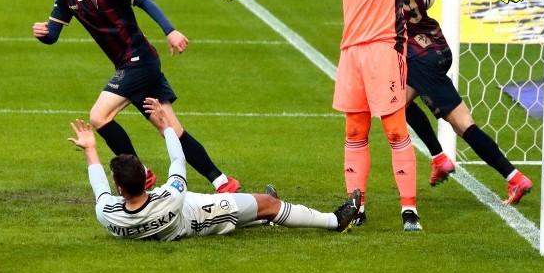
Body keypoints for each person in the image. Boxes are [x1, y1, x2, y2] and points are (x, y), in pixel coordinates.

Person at [218, 0, 527, 231]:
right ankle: (357, 204)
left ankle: (409, 211)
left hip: (386, 50)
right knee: (354, 130)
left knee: (395, 130)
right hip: (351, 53)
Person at [33, 0, 239, 193]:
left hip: (138, 61)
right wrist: (42, 32)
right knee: (170, 129)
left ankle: (140, 173)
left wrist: (170, 31)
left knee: (99, 116)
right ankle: (223, 182)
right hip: (134, 64)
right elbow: (52, 35)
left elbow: (144, 0)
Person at [67, 98, 361, 240]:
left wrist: (90, 147)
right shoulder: (170, 195)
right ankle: (335, 221)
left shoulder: (108, 213)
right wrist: (165, 126)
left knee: (256, 207)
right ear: (146, 182)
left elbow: (99, 188)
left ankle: (260, 218)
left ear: (120, 189)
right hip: (194, 215)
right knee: (269, 203)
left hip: (173, 216)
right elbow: (178, 163)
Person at [401, 0, 533, 205]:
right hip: (437, 45)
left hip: (421, 59)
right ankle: (439, 158)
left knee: (462, 125)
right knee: (398, 101)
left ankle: (514, 178)